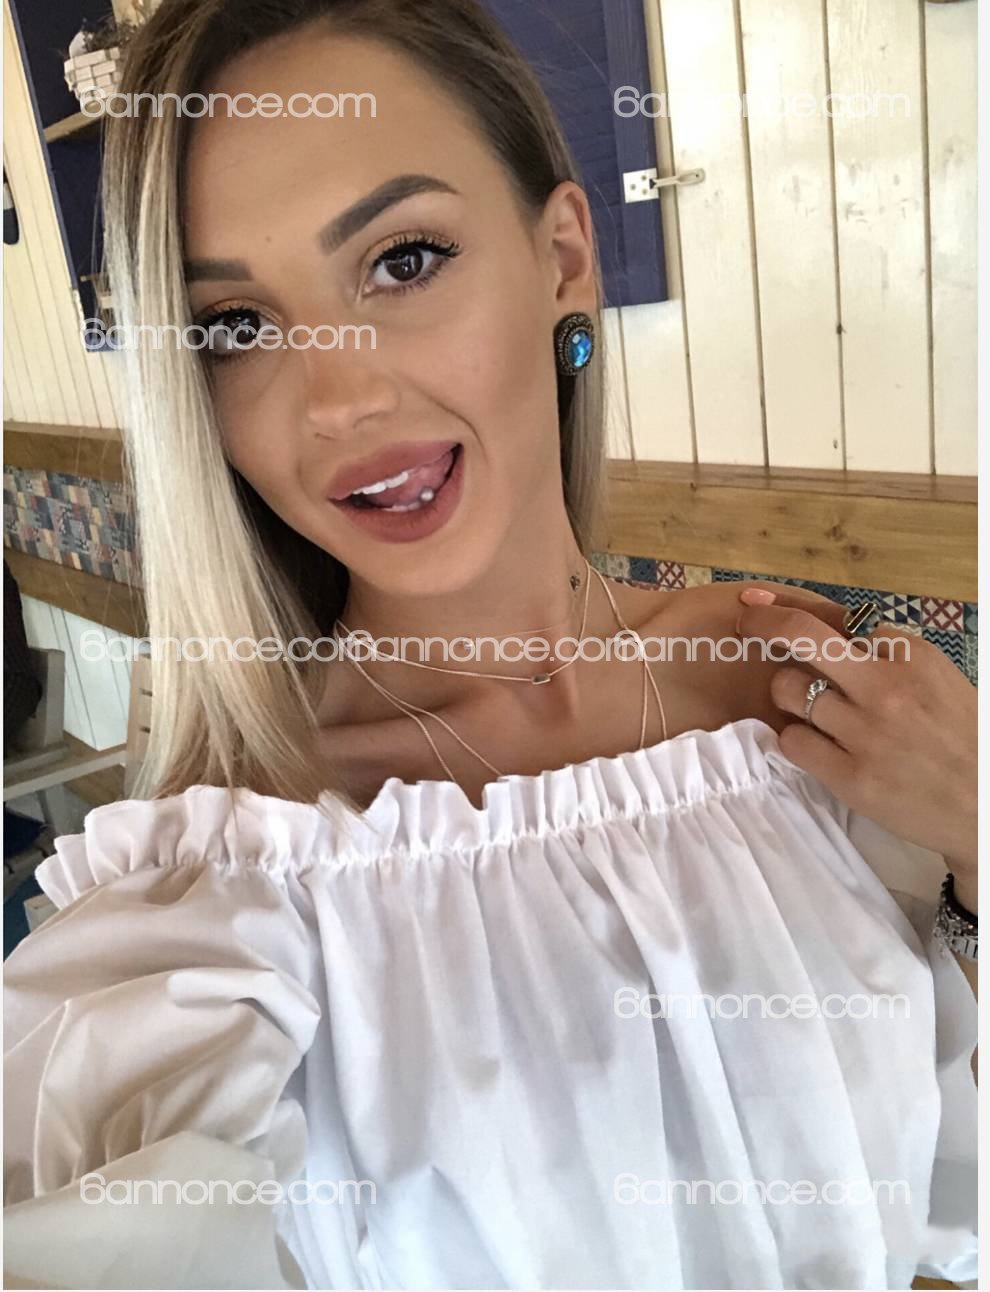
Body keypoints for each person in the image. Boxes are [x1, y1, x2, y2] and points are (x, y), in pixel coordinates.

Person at [3, 1, 977, 1288]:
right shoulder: (230, 881)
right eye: (236, 326)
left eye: (403, 260)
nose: (341, 397)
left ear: (563, 258)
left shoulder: (798, 690)